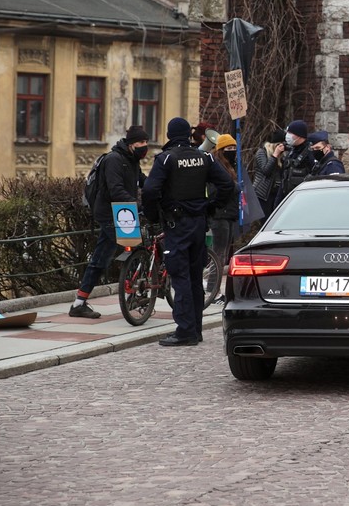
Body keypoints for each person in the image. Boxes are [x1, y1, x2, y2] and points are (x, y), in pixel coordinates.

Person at [142, 117, 234, 347]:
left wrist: (154, 215)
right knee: (194, 277)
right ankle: (195, 329)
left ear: (169, 135)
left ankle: (185, 331)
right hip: (199, 224)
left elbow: (150, 190)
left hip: (177, 224)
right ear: (188, 135)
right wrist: (210, 207)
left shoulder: (166, 159)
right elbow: (228, 185)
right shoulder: (204, 157)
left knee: (180, 276)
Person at [71, 126, 150, 319]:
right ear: (131, 144)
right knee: (134, 248)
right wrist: (138, 205)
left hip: (123, 213)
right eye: (141, 142)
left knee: (101, 258)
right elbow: (116, 190)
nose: (145, 146)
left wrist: (159, 191)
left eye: (146, 142)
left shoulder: (132, 160)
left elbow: (144, 182)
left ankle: (79, 303)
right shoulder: (114, 160)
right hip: (110, 214)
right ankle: (133, 295)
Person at [208, 133, 242, 289]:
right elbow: (217, 190)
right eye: (228, 148)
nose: (232, 151)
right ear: (221, 150)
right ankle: (212, 287)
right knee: (219, 253)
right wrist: (234, 187)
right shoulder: (217, 167)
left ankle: (214, 288)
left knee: (224, 253)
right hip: (220, 214)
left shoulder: (230, 166)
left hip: (229, 214)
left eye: (234, 148)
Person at [274, 120, 316, 203]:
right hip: (286, 196)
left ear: (299, 135)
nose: (287, 135)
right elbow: (284, 177)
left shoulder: (309, 153)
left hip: (302, 199)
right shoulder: (292, 151)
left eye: (290, 133)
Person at [252, 129, 285, 218]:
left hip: (276, 193)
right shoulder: (261, 152)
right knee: (266, 220)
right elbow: (266, 170)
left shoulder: (282, 156)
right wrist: (275, 155)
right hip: (263, 194)